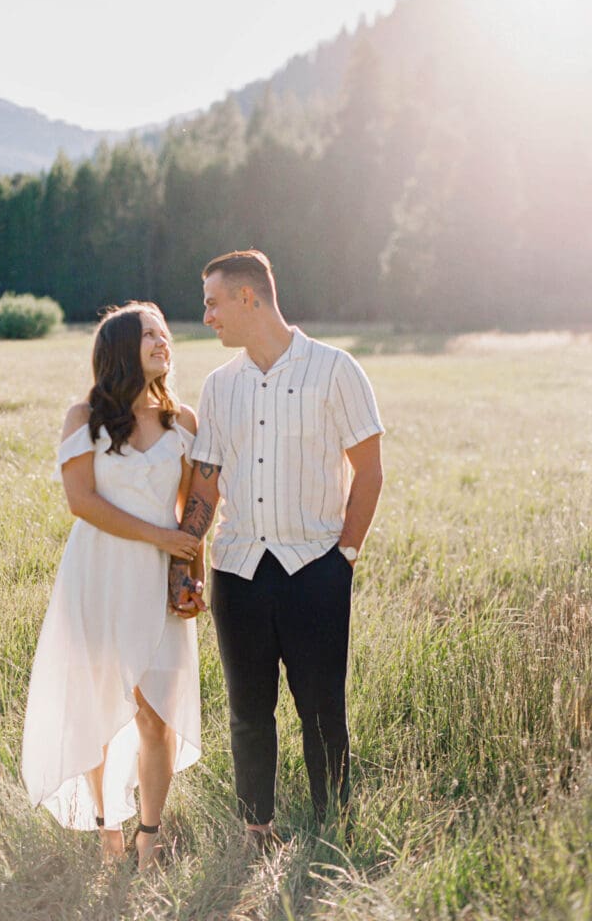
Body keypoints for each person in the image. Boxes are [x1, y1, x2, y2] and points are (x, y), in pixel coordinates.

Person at [168, 250, 384, 847]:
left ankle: (331, 827)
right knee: (247, 714)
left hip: (315, 571)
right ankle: (256, 829)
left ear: (247, 298)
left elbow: (369, 472)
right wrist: (186, 561)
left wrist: (345, 558)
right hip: (236, 572)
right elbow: (206, 483)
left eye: (213, 302)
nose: (206, 316)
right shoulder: (219, 387)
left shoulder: (335, 370)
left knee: (322, 712)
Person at [22, 302, 204, 870]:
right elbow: (83, 504)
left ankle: (149, 837)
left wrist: (192, 574)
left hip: (159, 582)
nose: (162, 341)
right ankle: (108, 830)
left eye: (165, 334)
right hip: (98, 575)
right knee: (98, 706)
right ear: (121, 347)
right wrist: (161, 536)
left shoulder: (185, 423)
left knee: (159, 713)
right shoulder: (85, 418)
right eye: (149, 334)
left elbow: (193, 512)